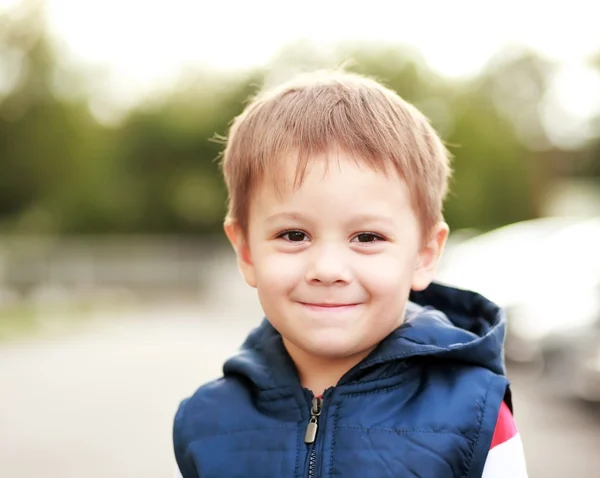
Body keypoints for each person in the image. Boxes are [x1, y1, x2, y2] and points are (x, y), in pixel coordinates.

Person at [172, 70, 528, 477]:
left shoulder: (477, 417)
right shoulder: (204, 423)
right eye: (294, 234)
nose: (327, 270)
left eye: (366, 236)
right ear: (247, 251)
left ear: (424, 254)